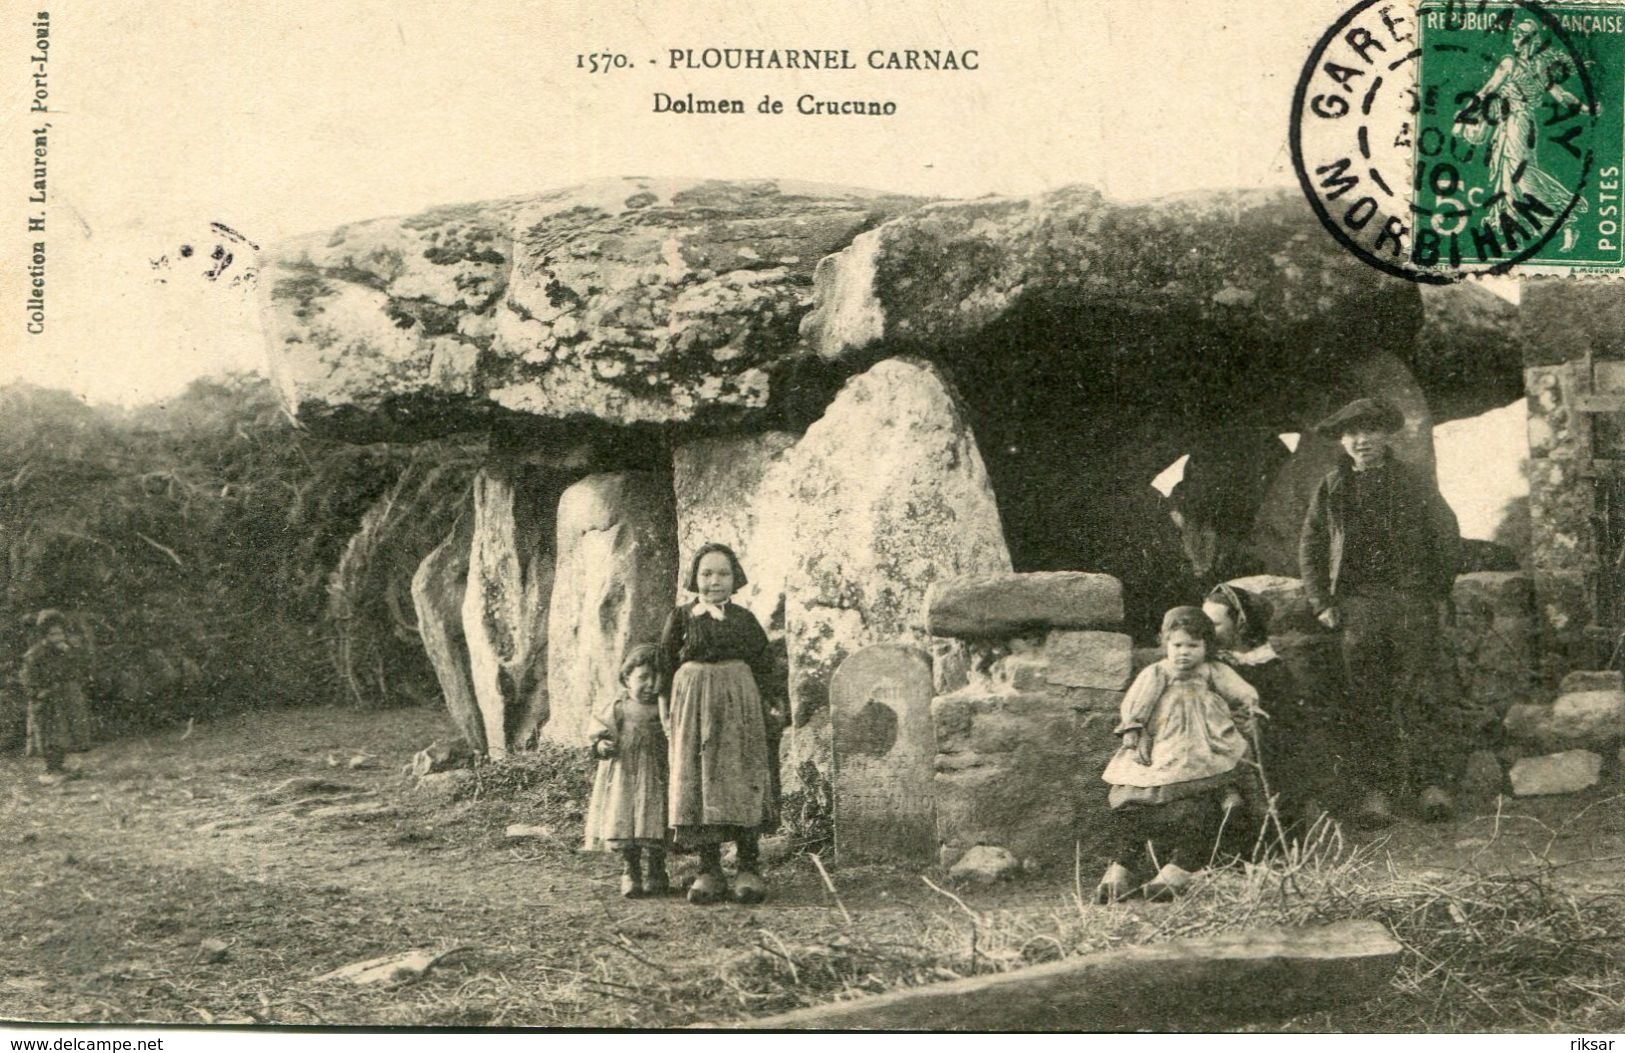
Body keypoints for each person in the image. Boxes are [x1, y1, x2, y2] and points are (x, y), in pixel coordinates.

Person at [1298, 396, 1461, 827]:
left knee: (1420, 696)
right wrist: (1321, 603)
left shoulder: (1412, 482)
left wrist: (1435, 594)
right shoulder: (1333, 486)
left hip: (1410, 603)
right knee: (1368, 700)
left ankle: (1430, 787)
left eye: (1369, 431)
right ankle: (1377, 793)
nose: (1360, 440)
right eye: (1351, 433)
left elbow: (1445, 536)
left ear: (1386, 434)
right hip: (1357, 607)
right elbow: (1311, 547)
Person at [1097, 606, 1266, 903]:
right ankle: (1121, 874)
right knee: (1141, 793)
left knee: (1221, 782)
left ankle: (1176, 871)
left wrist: (1248, 707)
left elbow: (1241, 691)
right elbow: (1137, 702)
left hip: (1208, 742)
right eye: (1177, 645)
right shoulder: (1157, 672)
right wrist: (1134, 728)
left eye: (1193, 646)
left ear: (1206, 647)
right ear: (1165, 643)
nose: (1184, 653)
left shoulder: (1213, 671)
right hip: (1166, 743)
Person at [660, 542, 779, 905]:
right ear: (694, 578)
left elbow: (764, 666)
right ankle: (708, 869)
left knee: (740, 778)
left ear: (735, 578)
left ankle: (747, 867)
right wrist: (666, 713)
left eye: (723, 573)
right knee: (699, 780)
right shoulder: (681, 618)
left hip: (739, 709)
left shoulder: (744, 620)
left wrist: (772, 706)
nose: (715, 581)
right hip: (693, 709)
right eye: (706, 574)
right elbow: (665, 667)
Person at [1203, 582, 1326, 838]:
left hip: (1266, 745)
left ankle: (1276, 839)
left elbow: (1291, 716)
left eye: (1214, 624)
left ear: (1240, 625)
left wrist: (1261, 725)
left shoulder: (1269, 666)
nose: (1206, 631)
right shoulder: (1206, 663)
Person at [583, 643, 670, 899]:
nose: (651, 685)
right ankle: (630, 871)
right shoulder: (619, 706)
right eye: (643, 677)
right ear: (626, 677)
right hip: (625, 775)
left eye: (657, 678)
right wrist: (601, 745)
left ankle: (657, 869)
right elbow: (598, 730)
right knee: (625, 819)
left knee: (656, 818)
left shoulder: (664, 706)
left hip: (656, 773)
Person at [21, 609, 92, 784]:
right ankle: (51, 769)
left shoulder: (67, 650)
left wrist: (69, 653)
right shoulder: (36, 654)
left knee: (64, 732)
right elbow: (28, 677)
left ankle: (59, 766)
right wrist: (38, 692)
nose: (58, 637)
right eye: (53, 634)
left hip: (65, 696)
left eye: (60, 633)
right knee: (50, 734)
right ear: (45, 635)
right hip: (47, 698)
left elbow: (79, 668)